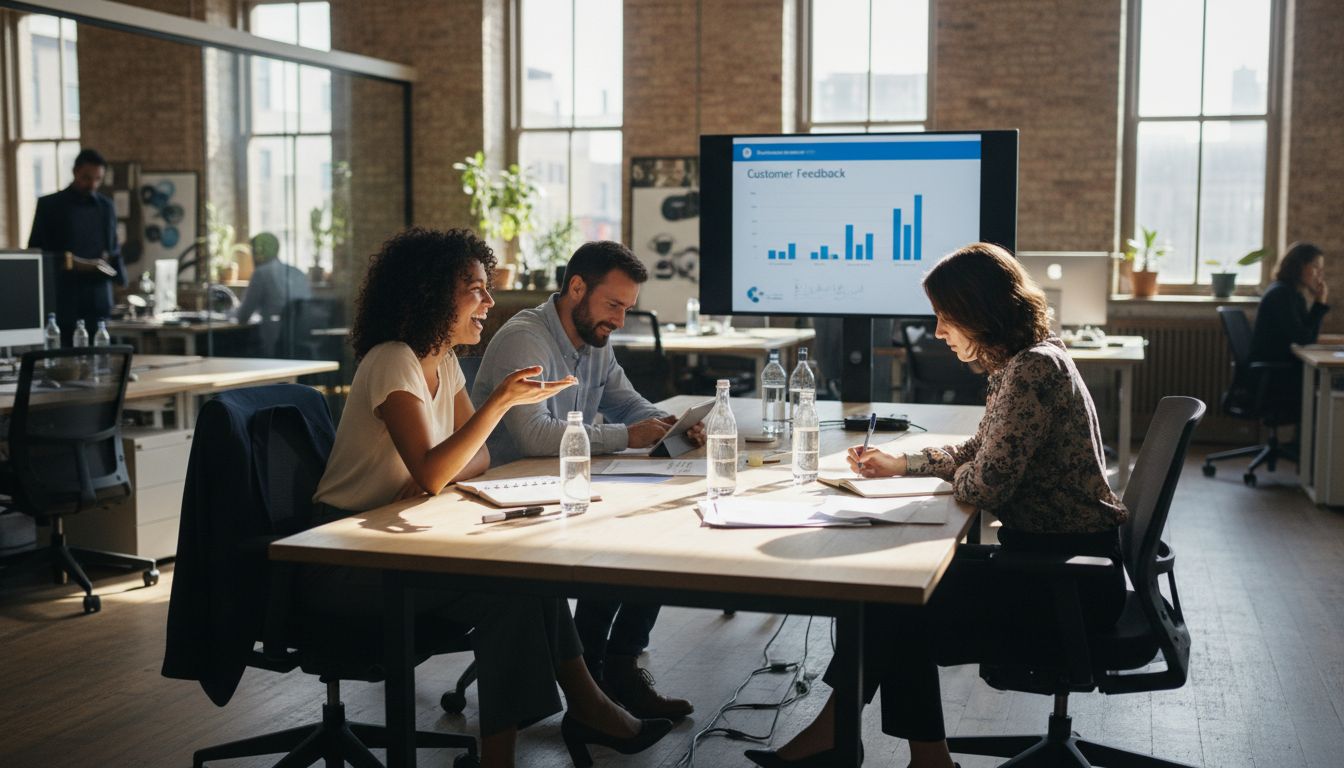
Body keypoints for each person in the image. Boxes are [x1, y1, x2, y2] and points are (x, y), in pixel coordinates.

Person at [747, 242, 1128, 768]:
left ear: (980, 312)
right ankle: (899, 753)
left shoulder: (1031, 370)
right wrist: (901, 464)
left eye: (946, 317)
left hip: (1068, 583)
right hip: (1060, 564)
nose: (939, 331)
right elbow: (978, 453)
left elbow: (985, 485)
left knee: (892, 601)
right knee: (892, 594)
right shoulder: (1026, 361)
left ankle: (857, 742)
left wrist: (959, 473)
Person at [311, 228, 673, 768]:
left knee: (527, 577)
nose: (488, 301)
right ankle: (539, 737)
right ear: (434, 294)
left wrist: (437, 468)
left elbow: (473, 460)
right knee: (508, 593)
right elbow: (436, 470)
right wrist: (495, 406)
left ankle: (582, 709)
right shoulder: (393, 360)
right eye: (475, 289)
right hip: (344, 557)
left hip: (393, 538)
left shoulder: (443, 362)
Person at [471, 240, 697, 721]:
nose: (619, 320)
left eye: (627, 308)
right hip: (507, 498)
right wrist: (628, 436)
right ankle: (593, 675)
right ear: (576, 288)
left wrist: (669, 426)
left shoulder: (594, 340)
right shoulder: (525, 338)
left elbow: (626, 403)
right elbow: (534, 436)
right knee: (620, 540)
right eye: (613, 305)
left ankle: (618, 665)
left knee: (654, 533)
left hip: (565, 485)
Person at [27, 148, 126, 346]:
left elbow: (113, 248)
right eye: (87, 178)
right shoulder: (49, 205)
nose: (92, 184)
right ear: (75, 172)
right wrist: (73, 261)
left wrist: (121, 282)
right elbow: (36, 251)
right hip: (64, 295)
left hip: (99, 296)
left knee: (100, 351)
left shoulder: (106, 206)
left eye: (98, 179)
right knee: (66, 351)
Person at [1249, 241, 1329, 422]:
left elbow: (1307, 335)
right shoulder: (1281, 295)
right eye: (1315, 267)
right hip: (1276, 377)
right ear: (1299, 266)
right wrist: (1319, 304)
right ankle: (1310, 439)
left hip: (1281, 371)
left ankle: (1309, 439)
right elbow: (1304, 339)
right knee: (1328, 384)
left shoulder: (1291, 293)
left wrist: (1318, 304)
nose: (1319, 274)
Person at [231, 231, 312, 355]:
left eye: (253, 251)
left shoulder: (261, 273)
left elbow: (243, 315)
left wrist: (230, 312)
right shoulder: (297, 272)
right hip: (301, 339)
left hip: (274, 341)